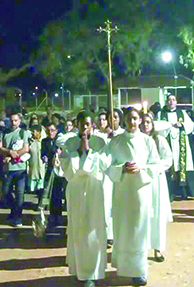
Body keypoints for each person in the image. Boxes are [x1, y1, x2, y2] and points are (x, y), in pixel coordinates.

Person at [106, 107, 162, 286]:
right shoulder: (115, 142)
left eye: (136, 118)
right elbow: (107, 165)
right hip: (122, 190)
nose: (133, 122)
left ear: (140, 120)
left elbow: (156, 165)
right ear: (125, 121)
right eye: (129, 118)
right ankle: (123, 266)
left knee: (139, 228)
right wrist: (121, 168)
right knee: (123, 227)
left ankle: (139, 271)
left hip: (140, 190)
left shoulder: (147, 141)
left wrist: (141, 168)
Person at [53, 111, 109, 287]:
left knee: (94, 228)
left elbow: (104, 163)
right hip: (76, 189)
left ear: (92, 125)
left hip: (94, 188)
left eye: (87, 124)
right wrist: (79, 151)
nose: (85, 127)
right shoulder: (69, 142)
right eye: (81, 124)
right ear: (76, 124)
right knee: (78, 227)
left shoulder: (100, 142)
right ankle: (80, 270)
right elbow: (66, 168)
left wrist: (88, 151)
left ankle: (93, 273)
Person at [140, 112, 173, 263]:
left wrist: (155, 168)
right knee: (144, 213)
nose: (145, 125)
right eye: (143, 122)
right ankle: (142, 247)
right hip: (141, 181)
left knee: (157, 214)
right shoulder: (137, 140)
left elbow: (168, 159)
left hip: (157, 180)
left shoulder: (159, 140)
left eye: (148, 122)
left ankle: (158, 248)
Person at [156, 94, 194, 200]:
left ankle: (184, 193)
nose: (171, 102)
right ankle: (170, 193)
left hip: (180, 144)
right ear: (166, 102)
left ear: (176, 102)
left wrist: (182, 125)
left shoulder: (182, 113)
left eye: (173, 100)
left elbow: (191, 125)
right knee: (169, 166)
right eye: (169, 100)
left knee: (181, 165)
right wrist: (169, 125)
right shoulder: (161, 114)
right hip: (167, 143)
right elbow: (157, 127)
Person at [0, 112, 30, 227]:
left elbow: (26, 148)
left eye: (16, 120)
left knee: (20, 193)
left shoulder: (23, 133)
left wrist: (12, 155)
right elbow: (0, 147)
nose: (13, 122)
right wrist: (8, 152)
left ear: (20, 121)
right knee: (6, 192)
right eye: (11, 120)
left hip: (20, 167)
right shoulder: (3, 133)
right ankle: (13, 210)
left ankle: (18, 217)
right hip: (8, 168)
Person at [40, 122, 65, 230]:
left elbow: (62, 152)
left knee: (58, 194)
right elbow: (43, 153)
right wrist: (44, 157)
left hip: (59, 170)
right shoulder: (44, 141)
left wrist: (59, 152)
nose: (51, 132)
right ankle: (51, 215)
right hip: (50, 169)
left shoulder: (58, 141)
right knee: (50, 193)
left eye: (53, 130)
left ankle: (58, 216)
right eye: (48, 130)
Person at [28, 125, 45, 210]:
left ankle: (41, 203)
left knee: (42, 187)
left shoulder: (43, 142)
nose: (33, 133)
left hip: (42, 168)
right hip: (33, 168)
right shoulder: (30, 142)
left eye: (35, 131)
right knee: (36, 188)